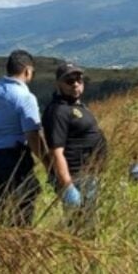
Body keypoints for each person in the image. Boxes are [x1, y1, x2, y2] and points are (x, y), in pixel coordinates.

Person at [0, 50, 44, 227]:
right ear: (27, 71)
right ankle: (16, 249)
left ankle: (1, 249)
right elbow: (32, 135)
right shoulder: (25, 97)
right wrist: (47, 160)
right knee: (22, 211)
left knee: (2, 207)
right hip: (15, 160)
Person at [42, 62, 107, 237]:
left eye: (79, 79)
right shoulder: (59, 111)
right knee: (80, 229)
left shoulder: (76, 106)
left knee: (89, 225)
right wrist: (68, 186)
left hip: (89, 177)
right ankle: (80, 263)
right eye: (69, 81)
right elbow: (56, 152)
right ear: (58, 84)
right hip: (77, 177)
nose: (76, 84)